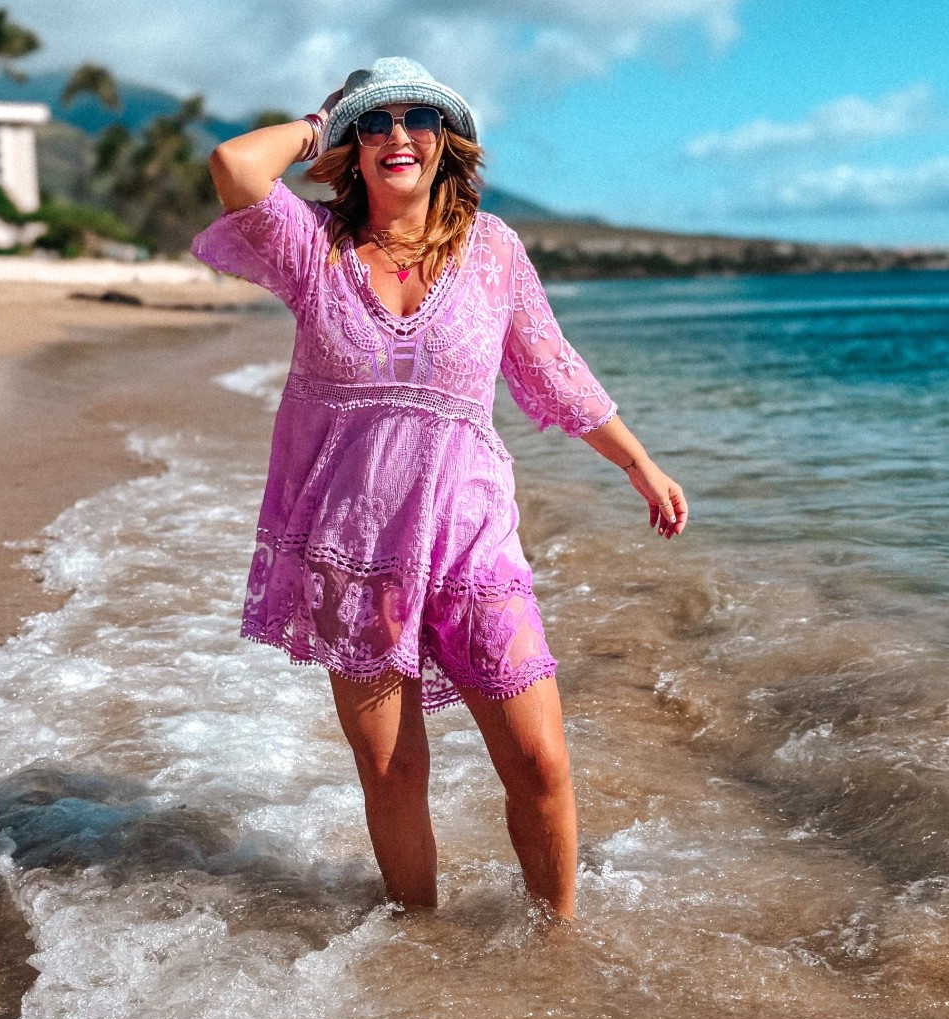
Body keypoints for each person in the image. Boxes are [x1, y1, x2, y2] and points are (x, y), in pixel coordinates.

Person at [193, 57, 687, 918]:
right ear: (351, 145)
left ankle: (556, 947)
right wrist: (320, 123)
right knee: (395, 772)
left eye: (418, 117)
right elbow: (236, 167)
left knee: (539, 763)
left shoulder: (493, 249)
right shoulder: (314, 247)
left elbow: (553, 368)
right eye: (374, 121)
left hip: (471, 539)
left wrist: (639, 462)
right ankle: (417, 948)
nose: (397, 135)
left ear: (445, 141)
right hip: (353, 551)